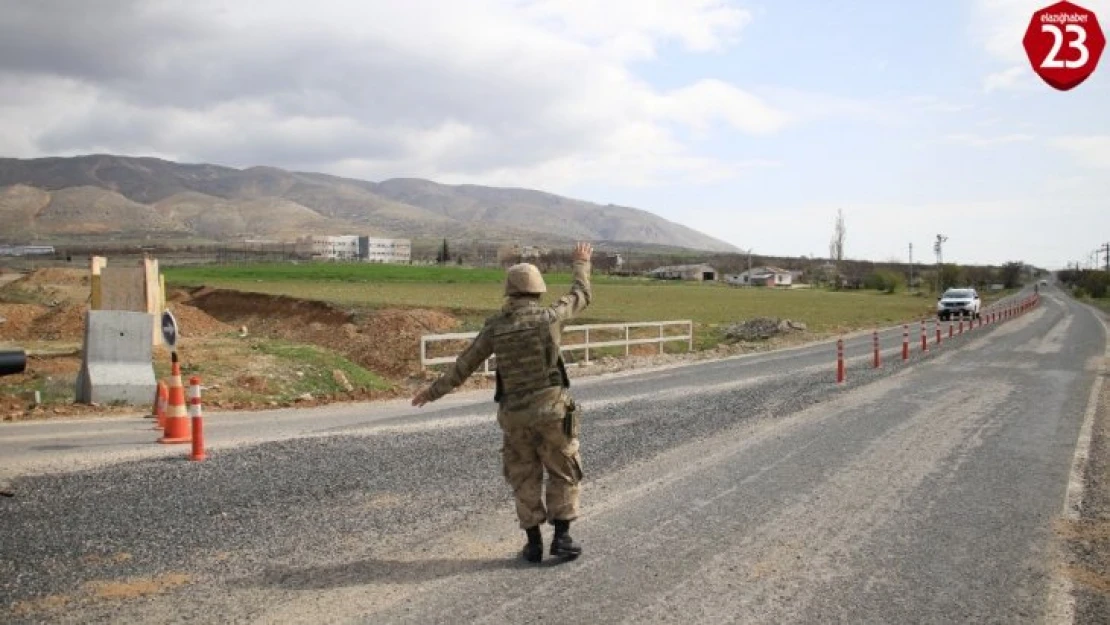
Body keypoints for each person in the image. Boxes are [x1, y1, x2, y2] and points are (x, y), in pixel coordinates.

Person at [411, 241, 593, 563]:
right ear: (538, 290)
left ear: (509, 291)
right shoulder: (550, 317)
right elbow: (581, 295)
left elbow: (463, 365)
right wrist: (581, 263)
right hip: (552, 412)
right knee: (563, 471)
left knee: (524, 476)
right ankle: (562, 538)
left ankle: (534, 543)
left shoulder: (495, 328)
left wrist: (431, 392)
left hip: (515, 418)